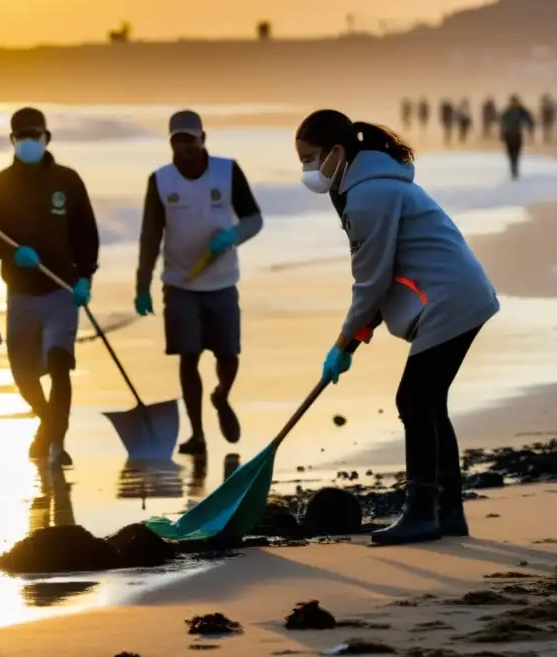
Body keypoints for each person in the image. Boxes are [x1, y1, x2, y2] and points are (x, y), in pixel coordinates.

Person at [295, 110, 499, 546]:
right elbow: (380, 278)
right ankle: (447, 512)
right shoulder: (366, 186)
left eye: (311, 159)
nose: (307, 171)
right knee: (428, 402)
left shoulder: (369, 196)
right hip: (458, 294)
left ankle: (422, 513)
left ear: (337, 152)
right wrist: (352, 341)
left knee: (414, 399)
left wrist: (342, 343)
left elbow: (369, 284)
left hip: (449, 299)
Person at [135, 110, 263, 455]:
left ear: (202, 138)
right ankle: (197, 434)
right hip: (179, 283)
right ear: (171, 142)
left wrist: (233, 236)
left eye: (189, 139)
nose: (184, 147)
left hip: (221, 281)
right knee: (188, 356)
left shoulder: (227, 170)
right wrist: (141, 285)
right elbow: (150, 235)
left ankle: (221, 395)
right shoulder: (160, 180)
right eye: (177, 140)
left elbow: (254, 218)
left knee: (228, 354)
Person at [0, 107, 100, 468]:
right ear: (12, 141)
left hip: (62, 290)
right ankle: (47, 423)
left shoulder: (68, 181)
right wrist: (12, 255)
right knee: (23, 374)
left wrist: (84, 279)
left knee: (61, 365)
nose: (29, 142)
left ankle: (57, 443)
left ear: (47, 138)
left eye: (36, 135)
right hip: (21, 292)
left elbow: (86, 233)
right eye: (22, 137)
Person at [499, 95, 535, 180]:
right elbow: (502, 124)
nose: (514, 103)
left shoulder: (521, 111)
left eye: (515, 101)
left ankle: (515, 168)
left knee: (517, 153)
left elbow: (529, 120)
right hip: (508, 135)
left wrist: (530, 130)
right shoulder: (506, 112)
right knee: (510, 154)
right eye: (512, 101)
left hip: (517, 135)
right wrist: (501, 134)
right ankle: (513, 168)